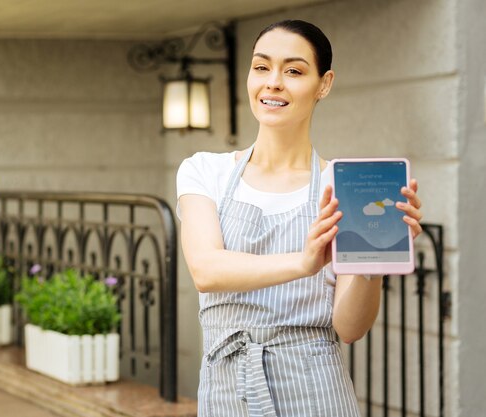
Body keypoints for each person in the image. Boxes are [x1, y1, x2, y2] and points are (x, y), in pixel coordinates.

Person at [176, 20, 423, 417]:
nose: (273, 82)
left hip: (316, 391)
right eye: (261, 67)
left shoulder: (340, 186)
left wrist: (373, 261)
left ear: (323, 84)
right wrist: (304, 262)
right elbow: (206, 269)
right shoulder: (205, 172)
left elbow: (350, 328)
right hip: (226, 389)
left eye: (293, 71)